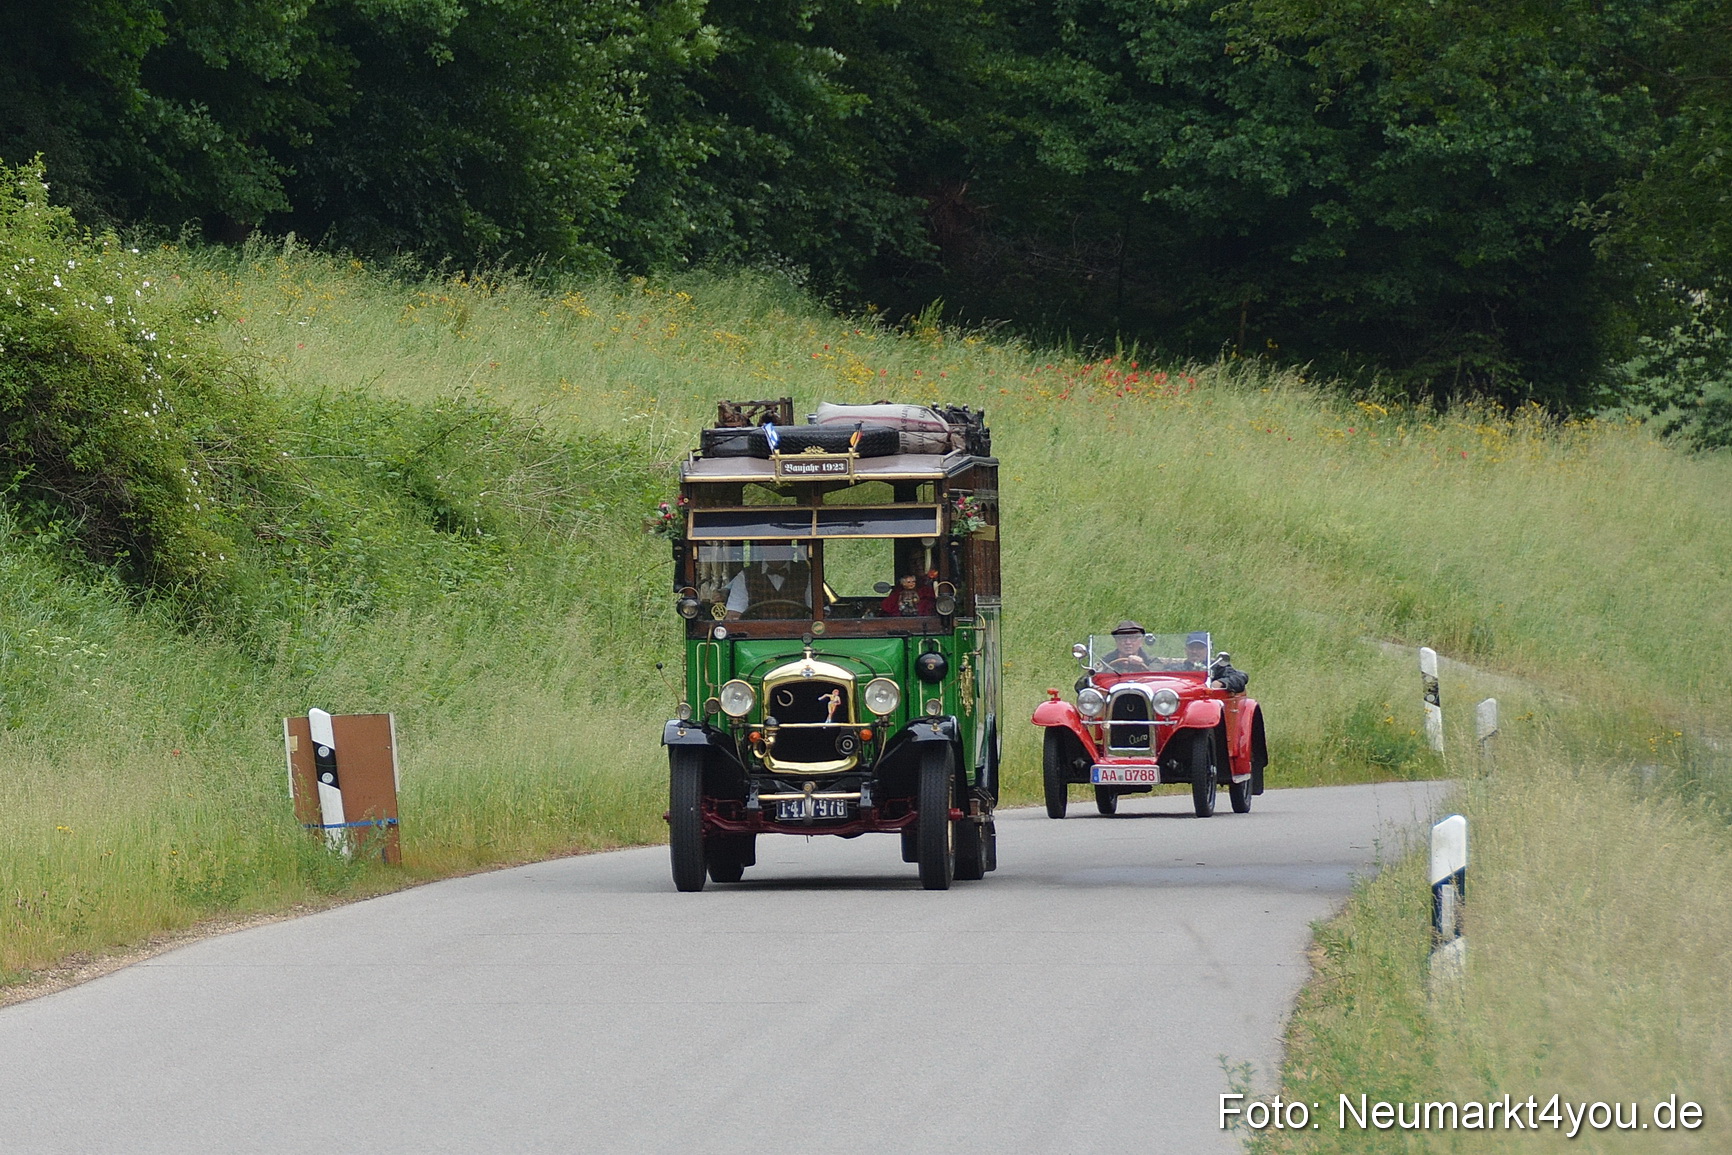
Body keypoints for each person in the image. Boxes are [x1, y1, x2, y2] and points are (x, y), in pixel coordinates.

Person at [723, 543, 812, 619]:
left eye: (781, 544)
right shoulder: (746, 575)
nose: (776, 549)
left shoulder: (806, 574)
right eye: (770, 544)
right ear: (762, 547)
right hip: (756, 636)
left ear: (789, 546)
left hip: (800, 636)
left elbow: (818, 611)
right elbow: (734, 614)